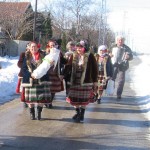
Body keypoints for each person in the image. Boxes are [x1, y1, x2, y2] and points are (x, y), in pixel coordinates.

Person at [64, 42, 98, 123]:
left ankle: (82, 114)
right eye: (77, 47)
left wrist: (95, 81)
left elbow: (94, 69)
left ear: (84, 48)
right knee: (74, 99)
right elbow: (68, 66)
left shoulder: (90, 56)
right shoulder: (73, 55)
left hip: (86, 81)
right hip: (74, 80)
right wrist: (63, 75)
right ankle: (77, 112)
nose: (79, 49)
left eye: (81, 47)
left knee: (83, 100)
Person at [21, 41, 51, 120]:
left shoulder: (43, 56)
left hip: (41, 80)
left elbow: (47, 67)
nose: (33, 48)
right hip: (30, 80)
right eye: (32, 47)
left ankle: (39, 113)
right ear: (29, 48)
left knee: (41, 99)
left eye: (35, 47)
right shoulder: (26, 57)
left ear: (38, 47)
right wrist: (30, 75)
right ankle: (32, 113)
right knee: (30, 100)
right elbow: (23, 69)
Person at [44, 40, 67, 108]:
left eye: (53, 45)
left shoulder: (59, 53)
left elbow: (64, 62)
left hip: (56, 73)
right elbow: (42, 61)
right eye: (50, 45)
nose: (52, 47)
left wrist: (66, 58)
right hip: (47, 73)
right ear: (48, 46)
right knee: (47, 89)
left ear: (56, 46)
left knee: (53, 90)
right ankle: (46, 101)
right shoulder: (46, 53)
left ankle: (50, 102)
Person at [110, 35, 133, 99]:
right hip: (113, 65)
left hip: (122, 66)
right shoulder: (112, 47)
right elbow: (107, 53)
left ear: (123, 41)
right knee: (111, 79)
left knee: (121, 81)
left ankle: (118, 94)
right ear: (116, 41)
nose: (120, 41)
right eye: (119, 40)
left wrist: (128, 57)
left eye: (121, 40)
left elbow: (131, 56)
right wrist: (109, 55)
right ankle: (111, 91)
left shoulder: (127, 48)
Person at [16, 43, 30, 108]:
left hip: (31, 74)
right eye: (28, 46)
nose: (30, 48)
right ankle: (24, 101)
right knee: (23, 89)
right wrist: (25, 67)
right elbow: (19, 64)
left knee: (30, 89)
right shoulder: (23, 54)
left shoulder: (34, 54)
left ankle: (29, 100)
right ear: (26, 47)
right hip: (23, 74)